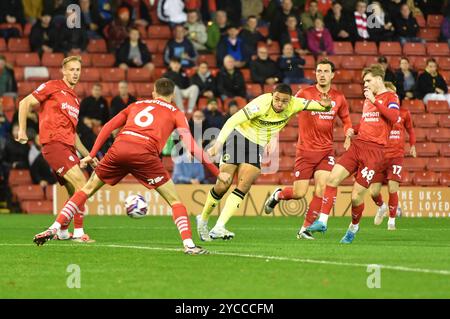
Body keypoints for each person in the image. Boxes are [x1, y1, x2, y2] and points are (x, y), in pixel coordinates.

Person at [32, 78, 225, 255]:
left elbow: (107, 127)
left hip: (119, 148)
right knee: (175, 201)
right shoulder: (176, 112)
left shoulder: (137, 104)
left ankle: (55, 227)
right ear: (172, 95)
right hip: (145, 153)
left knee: (86, 189)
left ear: (154, 93)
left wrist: (91, 155)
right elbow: (190, 146)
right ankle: (189, 245)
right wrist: (216, 173)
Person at [195, 84, 332, 241]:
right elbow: (232, 120)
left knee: (244, 185)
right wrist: (218, 144)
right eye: (277, 99)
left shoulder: (296, 103)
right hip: (238, 138)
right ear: (272, 95)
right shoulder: (261, 104)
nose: (280, 103)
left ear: (290, 100)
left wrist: (326, 107)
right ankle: (203, 219)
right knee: (223, 185)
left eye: (284, 101)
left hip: (256, 146)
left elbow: (322, 107)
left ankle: (219, 227)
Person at [306, 64, 400, 244]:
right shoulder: (368, 99)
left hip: (374, 152)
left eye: (368, 81)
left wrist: (374, 100)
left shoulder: (390, 97)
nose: (365, 84)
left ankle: (353, 227)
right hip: (358, 146)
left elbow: (394, 117)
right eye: (364, 81)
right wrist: (353, 130)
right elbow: (369, 122)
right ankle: (323, 221)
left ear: (379, 79)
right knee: (332, 179)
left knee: (356, 197)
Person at [265, 59, 352, 239]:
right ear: (315, 74)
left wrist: (348, 134)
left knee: (322, 189)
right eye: (319, 71)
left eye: (326, 71)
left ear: (332, 75)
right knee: (299, 193)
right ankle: (278, 195)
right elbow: (287, 111)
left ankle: (304, 229)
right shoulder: (304, 93)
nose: (322, 74)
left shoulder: (339, 97)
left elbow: (346, 120)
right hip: (305, 152)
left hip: (326, 151)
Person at [16, 56, 94, 242]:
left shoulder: (75, 100)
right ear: (64, 71)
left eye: (78, 70)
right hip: (54, 144)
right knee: (82, 185)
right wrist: (22, 130)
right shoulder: (52, 86)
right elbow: (24, 103)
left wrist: (89, 155)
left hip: (68, 147)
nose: (75, 73)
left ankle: (63, 232)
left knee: (73, 191)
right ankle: (78, 233)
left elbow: (74, 135)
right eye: (72, 69)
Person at [370, 82, 416, 231]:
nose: (391, 97)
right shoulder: (377, 113)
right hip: (380, 154)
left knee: (392, 188)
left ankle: (391, 221)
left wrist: (413, 145)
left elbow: (410, 130)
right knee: (374, 192)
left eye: (393, 94)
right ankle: (382, 207)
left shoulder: (404, 113)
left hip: (396, 155)